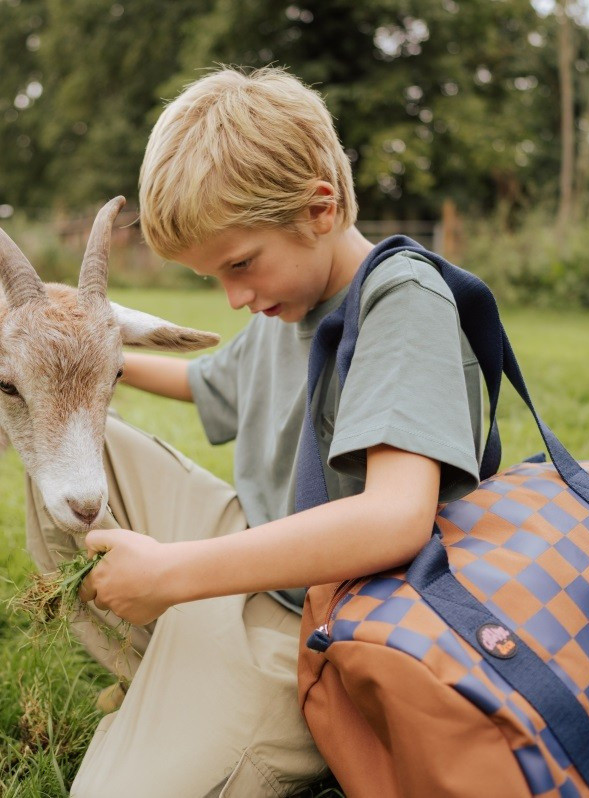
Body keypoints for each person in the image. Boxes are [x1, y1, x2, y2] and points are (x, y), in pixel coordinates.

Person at [26, 66, 483, 797]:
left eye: (240, 264)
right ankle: (153, 667)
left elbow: (396, 518)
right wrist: (88, 347)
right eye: (216, 278)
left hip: (321, 618)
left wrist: (173, 574)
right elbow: (207, 385)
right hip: (248, 533)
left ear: (320, 209)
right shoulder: (284, 297)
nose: (236, 298)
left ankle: (195, 668)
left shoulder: (402, 301)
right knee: (79, 441)